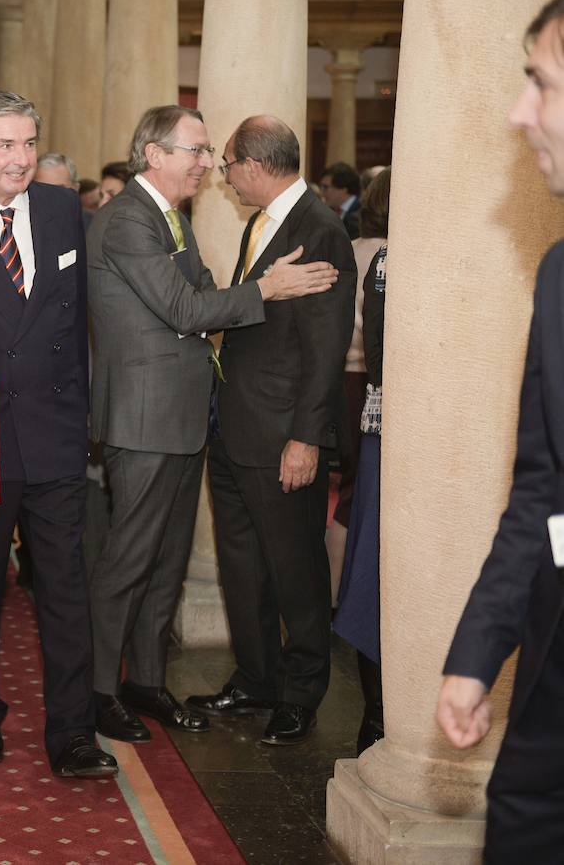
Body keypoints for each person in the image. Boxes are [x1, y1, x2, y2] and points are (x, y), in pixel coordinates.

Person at [86, 105, 337, 745]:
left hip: (186, 419)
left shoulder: (173, 218)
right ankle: (97, 692)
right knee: (128, 562)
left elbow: (199, 298)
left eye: (209, 153)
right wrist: (268, 290)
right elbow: (183, 305)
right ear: (154, 155)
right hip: (143, 420)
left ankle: (144, 681)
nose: (206, 165)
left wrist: (242, 299)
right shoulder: (125, 222)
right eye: (195, 151)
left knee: (167, 563)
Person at [0, 89, 118, 779]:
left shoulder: (66, 210)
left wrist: (88, 416)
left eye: (29, 143)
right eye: (5, 144)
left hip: (57, 429)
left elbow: (79, 322)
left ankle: (73, 733)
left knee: (66, 586)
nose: (21, 158)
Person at [438, 0, 564, 860]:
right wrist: (478, 652)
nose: (521, 113)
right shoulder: (558, 275)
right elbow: (544, 486)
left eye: (542, 84)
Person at [186, 115, 356, 747]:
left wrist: (306, 437)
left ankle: (302, 690)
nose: (225, 178)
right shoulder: (261, 222)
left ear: (255, 166)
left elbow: (326, 345)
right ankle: (256, 678)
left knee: (296, 569)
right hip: (234, 426)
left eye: (228, 165)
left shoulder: (319, 229)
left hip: (283, 434)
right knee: (243, 565)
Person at [333, 168, 390, 754]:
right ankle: (375, 715)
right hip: (391, 428)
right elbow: (380, 356)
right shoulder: (385, 265)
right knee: (374, 565)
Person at [327, 167, 391, 598]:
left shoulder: (350, 248)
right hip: (367, 383)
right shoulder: (393, 255)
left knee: (348, 493)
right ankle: (347, 598)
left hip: (338, 381)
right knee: (359, 498)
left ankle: (332, 598)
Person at [319, 161, 362, 239]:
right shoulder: (329, 212)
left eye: (325, 187)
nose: (322, 193)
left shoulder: (360, 213)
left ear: (342, 189)